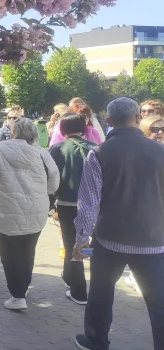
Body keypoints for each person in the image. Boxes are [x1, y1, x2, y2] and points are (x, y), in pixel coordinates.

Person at [72, 97, 164, 350]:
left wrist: (81, 240)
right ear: (138, 118)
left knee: (101, 292)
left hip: (109, 240)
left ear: (109, 121)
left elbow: (88, 203)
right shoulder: (160, 152)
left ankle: (96, 340)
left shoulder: (99, 153)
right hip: (153, 239)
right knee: (159, 300)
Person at [0, 117, 59, 310]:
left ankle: (17, 295)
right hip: (36, 211)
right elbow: (54, 181)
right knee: (28, 252)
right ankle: (23, 287)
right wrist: (43, 194)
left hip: (5, 212)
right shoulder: (42, 154)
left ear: (13, 132)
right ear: (35, 134)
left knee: (9, 254)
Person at [49, 113, 97, 306]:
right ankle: (71, 275)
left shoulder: (57, 149)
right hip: (93, 205)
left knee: (71, 245)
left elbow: (51, 178)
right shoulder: (95, 148)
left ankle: (79, 291)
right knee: (89, 244)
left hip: (67, 204)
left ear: (62, 129)